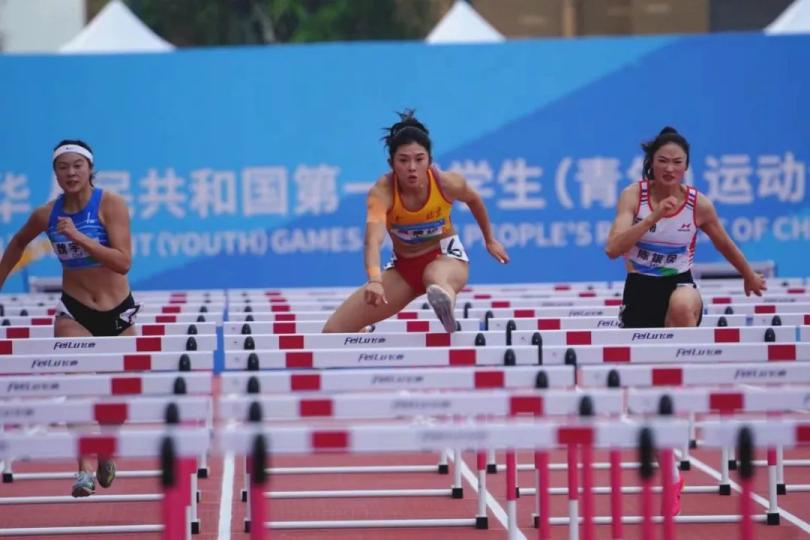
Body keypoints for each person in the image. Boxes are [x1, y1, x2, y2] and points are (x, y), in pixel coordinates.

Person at [605, 126, 767, 515]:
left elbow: (723, 242)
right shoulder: (634, 196)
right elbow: (613, 248)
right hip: (639, 292)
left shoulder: (698, 204)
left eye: (678, 162)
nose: (670, 168)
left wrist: (747, 274)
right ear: (651, 163)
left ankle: (680, 382)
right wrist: (652, 218)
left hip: (680, 285)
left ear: (686, 166)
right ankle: (671, 472)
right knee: (646, 401)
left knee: (682, 303)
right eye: (663, 161)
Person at [0, 139, 139, 497]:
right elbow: (18, 243)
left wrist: (78, 237)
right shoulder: (46, 215)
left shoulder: (110, 204)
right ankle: (83, 471)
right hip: (74, 311)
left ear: (90, 169)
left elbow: (123, 262)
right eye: (63, 167)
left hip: (118, 311)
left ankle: (106, 449)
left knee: (119, 398)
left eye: (77, 165)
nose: (71, 173)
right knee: (76, 391)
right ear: (55, 174)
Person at [323, 110, 508, 334]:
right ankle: (364, 332)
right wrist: (375, 280)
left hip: (447, 258)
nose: (412, 167)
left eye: (419, 159)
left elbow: (474, 200)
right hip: (404, 270)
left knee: (434, 277)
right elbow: (373, 240)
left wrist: (489, 239)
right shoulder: (382, 193)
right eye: (403, 160)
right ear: (391, 163)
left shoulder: (447, 183)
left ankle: (445, 305)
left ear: (430, 160)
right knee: (333, 331)